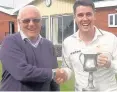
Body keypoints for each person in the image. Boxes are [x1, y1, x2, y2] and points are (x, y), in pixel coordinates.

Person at [55, 0, 117, 92]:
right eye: (80, 15)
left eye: (88, 14)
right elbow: (68, 67)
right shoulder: (68, 42)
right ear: (75, 18)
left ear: (94, 15)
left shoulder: (111, 38)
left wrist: (109, 64)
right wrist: (64, 74)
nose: (85, 19)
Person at [0, 5, 59, 91]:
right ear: (19, 22)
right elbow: (22, 72)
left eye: (36, 20)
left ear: (41, 22)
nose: (31, 24)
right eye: (26, 21)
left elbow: (54, 81)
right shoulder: (10, 42)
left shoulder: (49, 45)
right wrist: (53, 73)